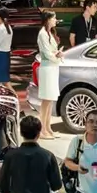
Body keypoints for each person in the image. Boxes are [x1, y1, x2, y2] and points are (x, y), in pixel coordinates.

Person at [35, 10, 62, 139]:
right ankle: (42, 130)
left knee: (50, 99)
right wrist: (56, 56)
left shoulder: (49, 33)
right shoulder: (42, 34)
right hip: (47, 68)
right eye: (54, 18)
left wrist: (57, 54)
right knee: (46, 100)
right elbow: (46, 53)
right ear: (48, 19)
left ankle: (48, 127)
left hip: (53, 68)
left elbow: (52, 51)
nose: (55, 20)